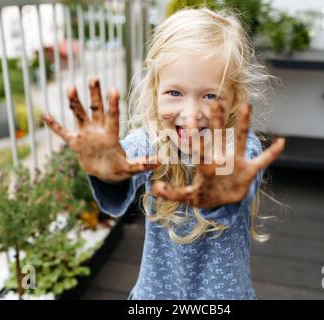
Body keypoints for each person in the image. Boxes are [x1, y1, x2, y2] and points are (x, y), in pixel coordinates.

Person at [43, 7, 285, 300]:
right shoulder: (150, 141)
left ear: (234, 99)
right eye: (175, 93)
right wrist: (108, 174)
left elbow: (234, 187)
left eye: (210, 96)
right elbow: (123, 163)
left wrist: (223, 193)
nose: (191, 114)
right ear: (156, 90)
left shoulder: (241, 149)